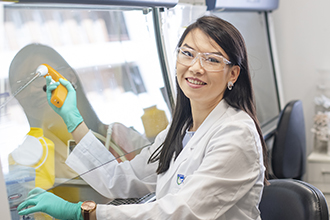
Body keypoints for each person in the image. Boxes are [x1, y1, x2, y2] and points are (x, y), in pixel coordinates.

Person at [17, 15, 268, 220]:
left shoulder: (237, 134)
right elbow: (121, 179)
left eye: (211, 59)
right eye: (188, 53)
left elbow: (178, 213)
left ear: (233, 74)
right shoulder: (179, 131)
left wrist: (82, 213)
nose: (195, 67)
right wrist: (73, 118)